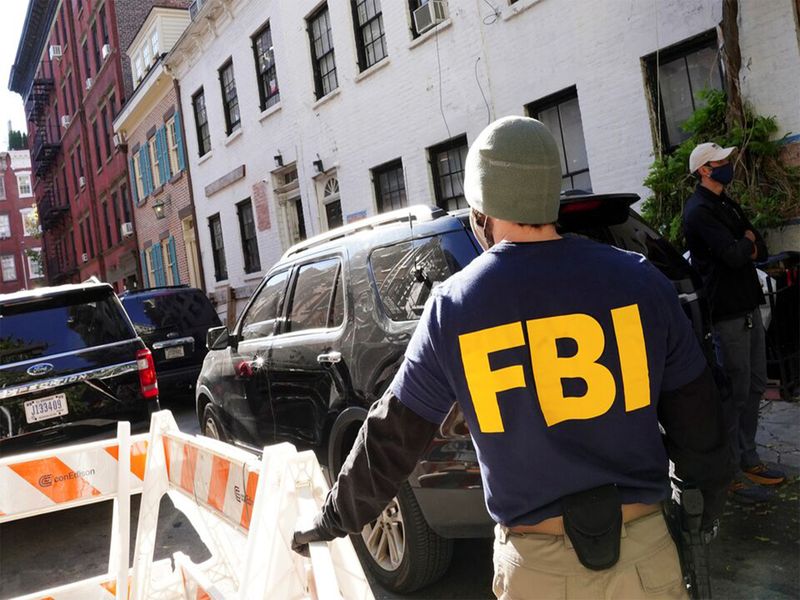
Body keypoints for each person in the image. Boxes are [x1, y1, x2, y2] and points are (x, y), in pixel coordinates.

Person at [293, 117, 732, 598]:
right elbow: (700, 419)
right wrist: (700, 508)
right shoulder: (641, 281)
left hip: (535, 572)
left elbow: (391, 438)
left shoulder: (454, 307)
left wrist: (331, 518)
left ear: (481, 210)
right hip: (644, 558)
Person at [683, 142, 785, 504]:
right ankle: (729, 474)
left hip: (748, 305)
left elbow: (759, 245)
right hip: (727, 312)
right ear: (704, 170)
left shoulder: (725, 202)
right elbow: (734, 254)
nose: (729, 164)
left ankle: (748, 457)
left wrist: (746, 244)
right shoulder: (698, 211)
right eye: (721, 161)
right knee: (735, 392)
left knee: (755, 384)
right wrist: (745, 244)